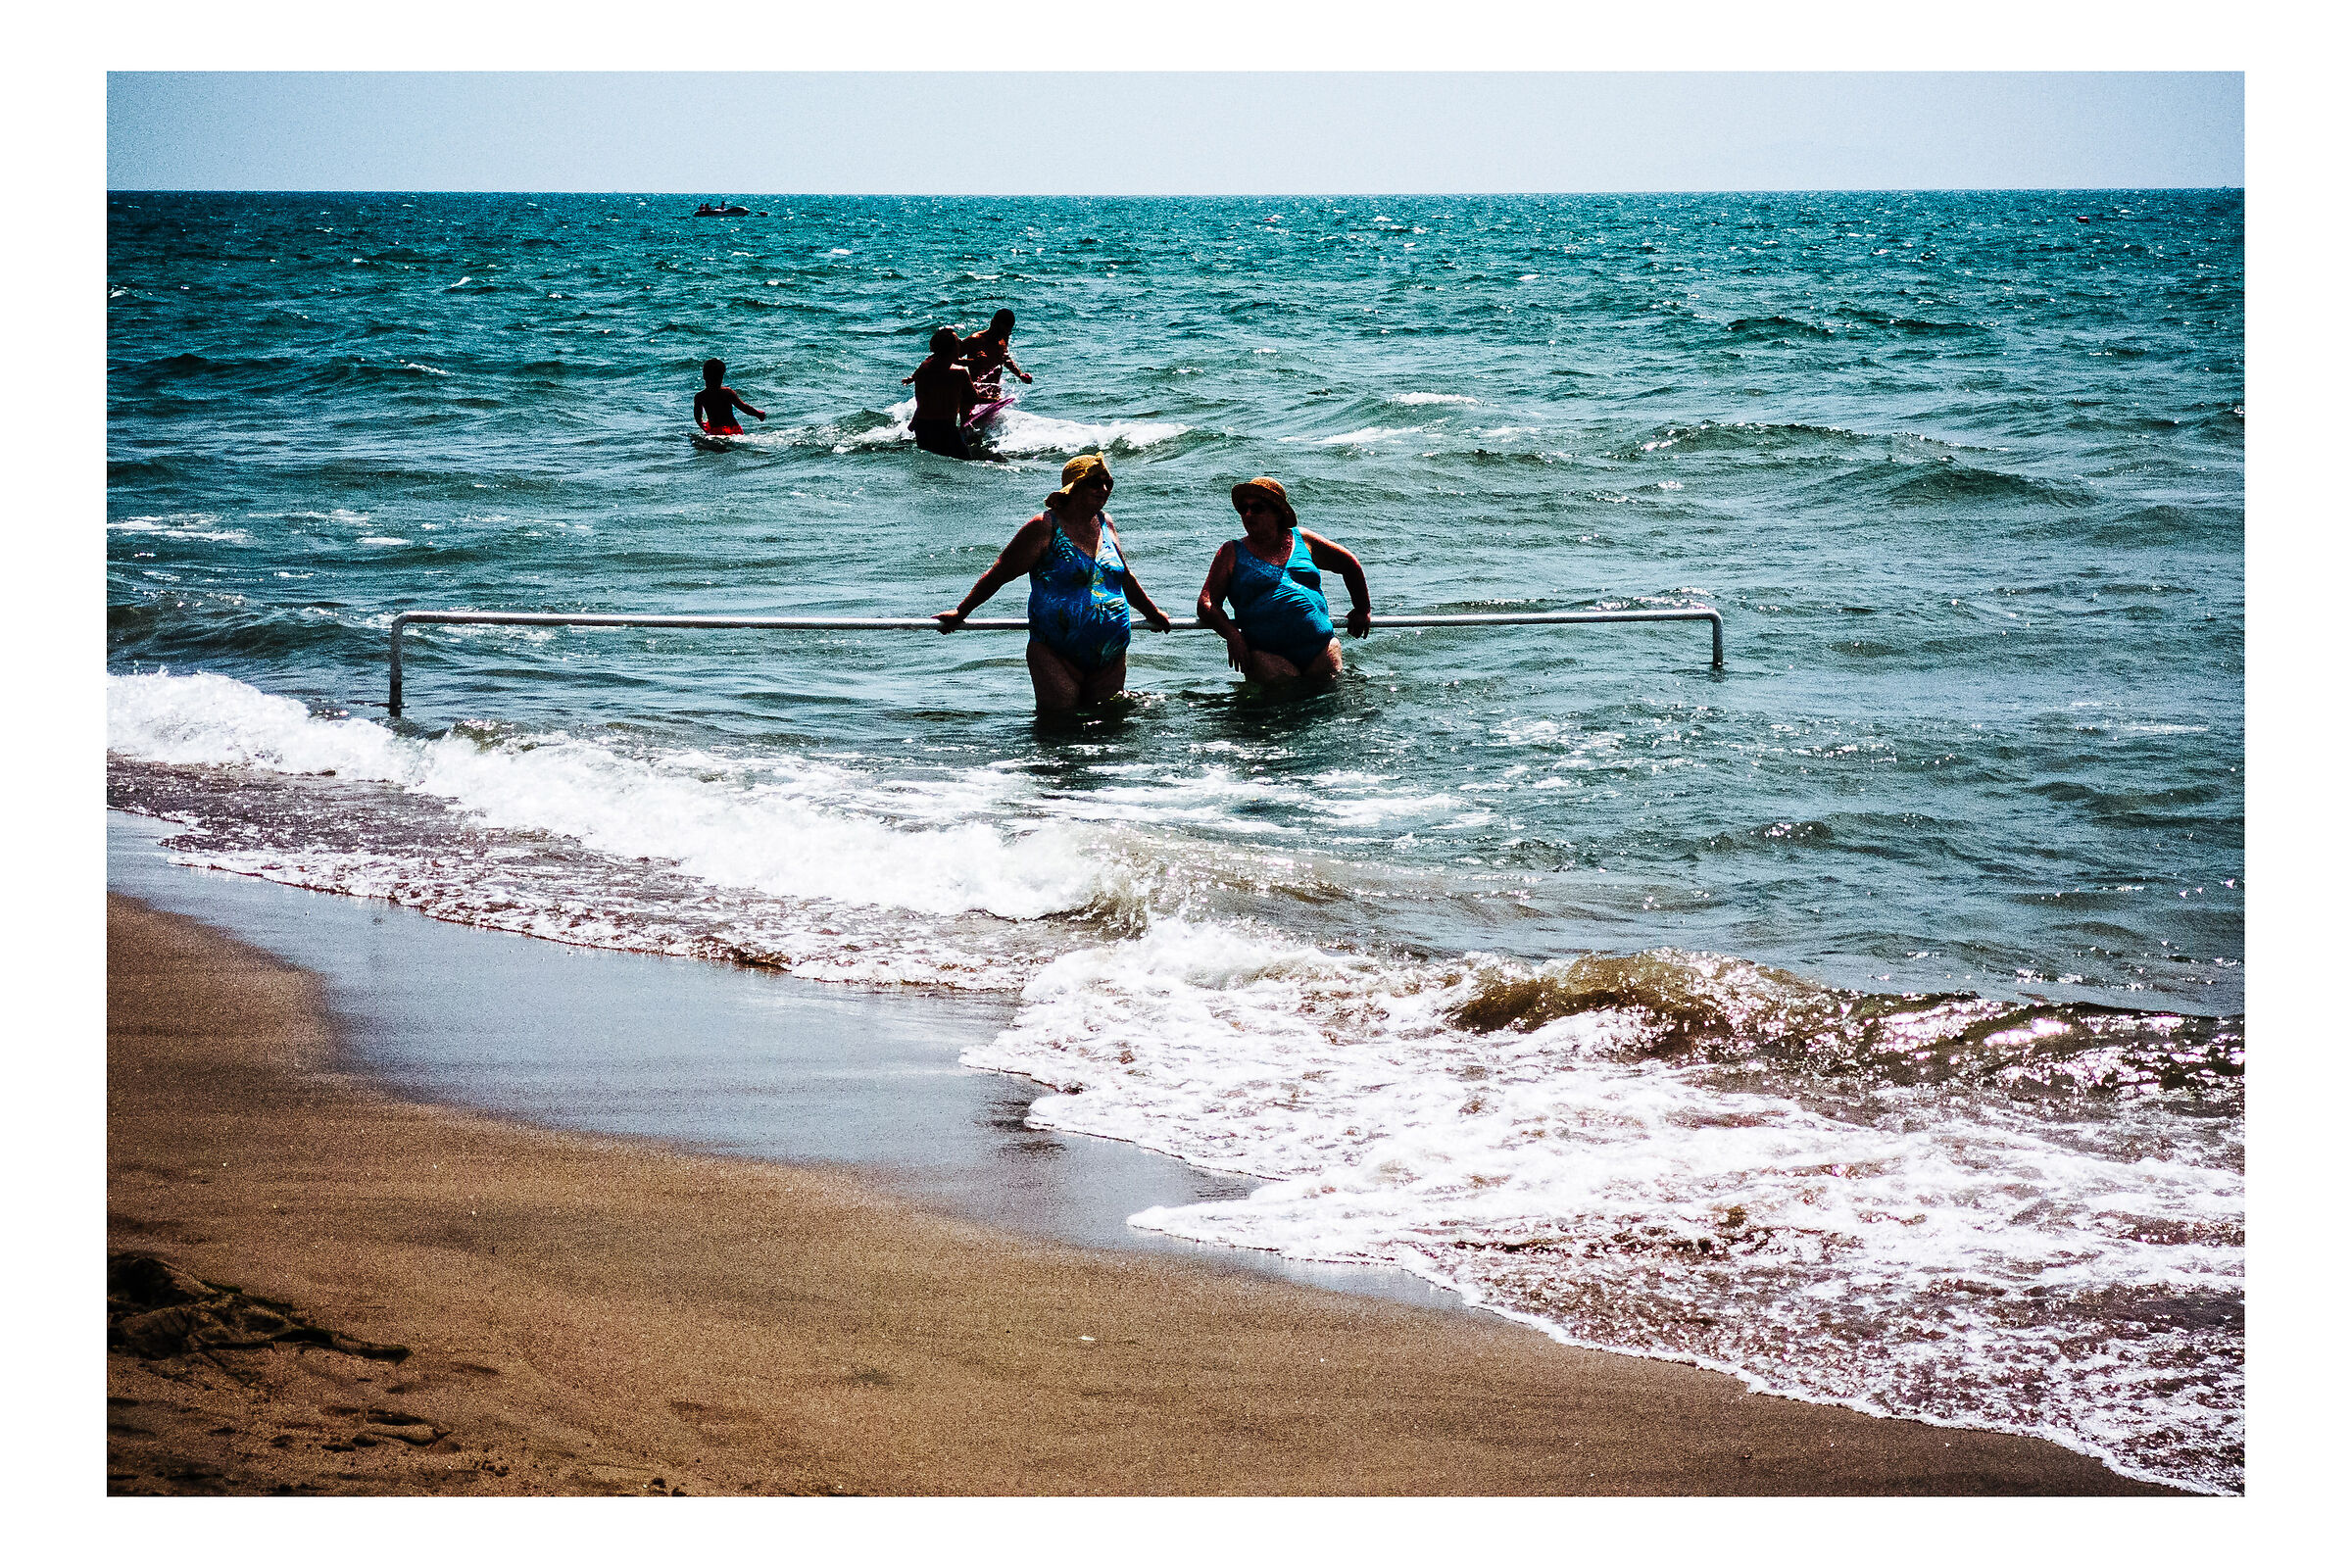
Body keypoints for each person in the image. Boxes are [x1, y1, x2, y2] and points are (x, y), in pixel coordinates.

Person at [935, 453, 1174, 712]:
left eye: (1109, 483)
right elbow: (999, 573)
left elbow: (1124, 578)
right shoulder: (1045, 526)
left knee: (1107, 734)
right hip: (1056, 654)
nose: (1104, 489)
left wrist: (1153, 613)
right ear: (1074, 488)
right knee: (1058, 733)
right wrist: (962, 611)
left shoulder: (1106, 523)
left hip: (1110, 654)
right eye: (1095, 483)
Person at [1196, 476, 1371, 683]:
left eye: (1257, 508)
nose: (1248, 514)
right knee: (1278, 712)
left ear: (1277, 512)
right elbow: (1206, 603)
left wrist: (1362, 609)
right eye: (1244, 509)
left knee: (1334, 708)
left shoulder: (1303, 540)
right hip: (1268, 657)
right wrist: (1232, 635)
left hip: (1321, 650)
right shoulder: (1231, 552)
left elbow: (1349, 564)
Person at [903, 326, 986, 460]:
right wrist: (993, 399)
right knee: (964, 464)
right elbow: (973, 398)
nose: (961, 344)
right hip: (944, 428)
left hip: (922, 427)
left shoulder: (925, 365)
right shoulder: (959, 372)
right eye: (958, 342)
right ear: (952, 348)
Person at [958, 310, 1033, 398]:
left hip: (994, 394)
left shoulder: (1003, 338)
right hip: (976, 395)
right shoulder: (975, 340)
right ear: (993, 323)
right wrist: (972, 361)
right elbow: (947, 360)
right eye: (1001, 332)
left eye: (1007, 332)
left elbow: (1005, 359)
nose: (1003, 335)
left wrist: (1020, 375)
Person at [694, 358, 765, 436]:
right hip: (734, 429)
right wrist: (758, 414)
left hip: (716, 431)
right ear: (722, 377)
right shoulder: (727, 392)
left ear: (704, 376)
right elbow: (743, 407)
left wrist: (701, 425)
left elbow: (697, 416)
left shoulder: (700, 396)